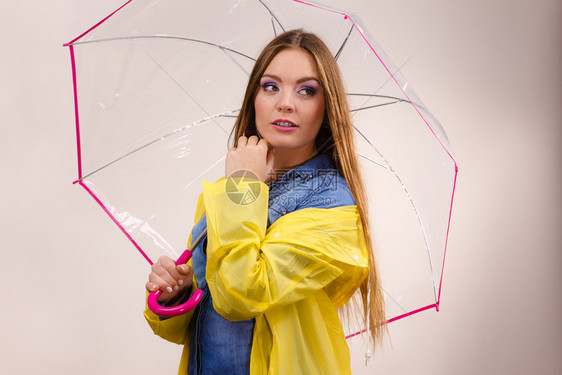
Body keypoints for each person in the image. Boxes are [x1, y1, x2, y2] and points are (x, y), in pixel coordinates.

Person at [144, 29, 385, 375]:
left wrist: (243, 186)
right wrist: (178, 294)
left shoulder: (333, 208)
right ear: (253, 99)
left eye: (306, 90)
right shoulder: (229, 193)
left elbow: (240, 295)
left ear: (326, 107)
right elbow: (206, 323)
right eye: (270, 86)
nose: (285, 102)